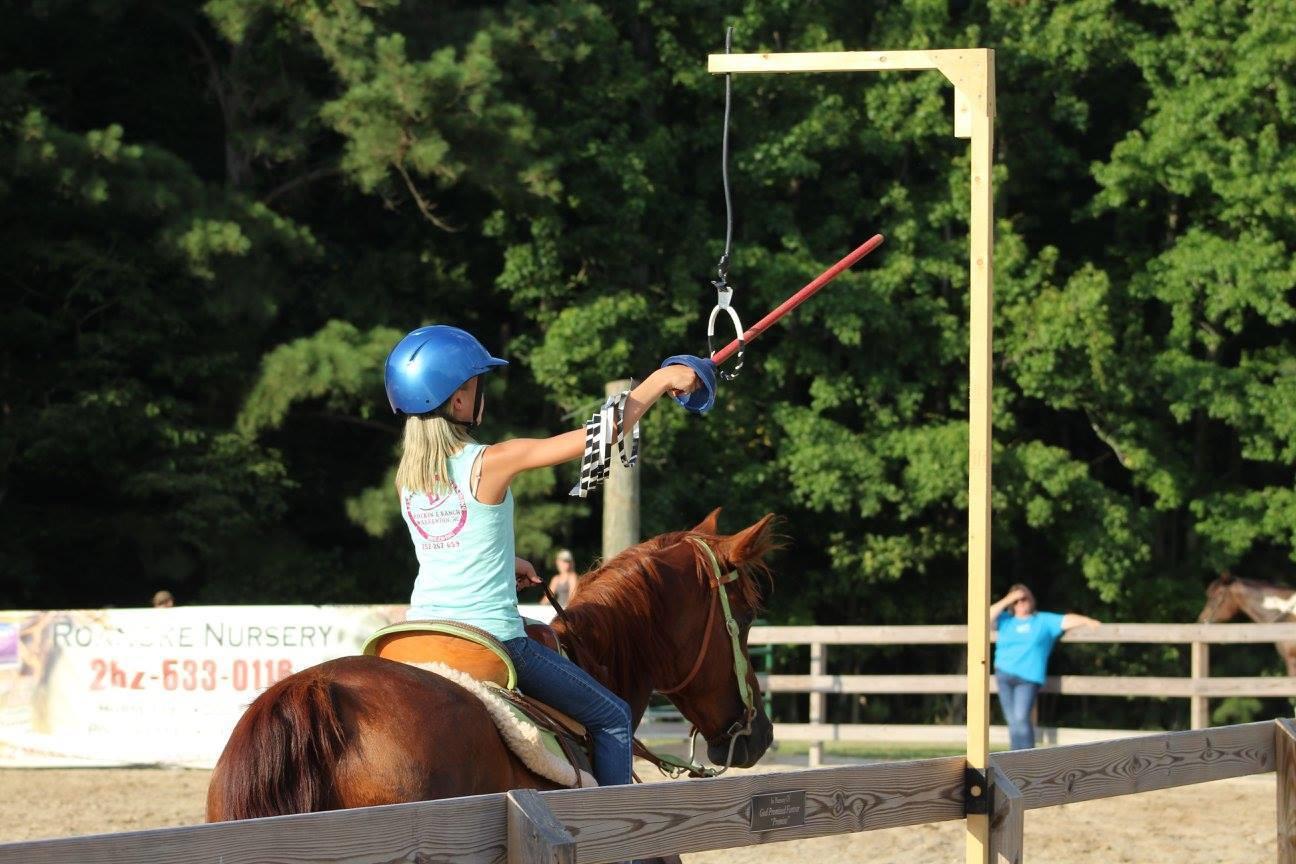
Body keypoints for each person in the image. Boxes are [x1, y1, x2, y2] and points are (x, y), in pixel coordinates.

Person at [385, 324, 698, 788]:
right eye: (475, 387)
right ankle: (612, 851)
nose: (480, 395)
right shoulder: (490, 461)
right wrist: (660, 380)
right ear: (457, 402)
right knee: (612, 717)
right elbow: (596, 438)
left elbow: (443, 544)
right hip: (487, 637)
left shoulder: (407, 479)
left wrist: (505, 562)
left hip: (419, 633)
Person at [990, 583, 1100, 750]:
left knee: (1021, 717)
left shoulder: (1042, 621)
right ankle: (1014, 758)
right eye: (1016, 601)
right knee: (1012, 720)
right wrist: (1008, 599)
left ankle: (1026, 757)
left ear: (1031, 600)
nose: (1020, 603)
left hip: (1028, 677)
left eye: (1023, 599)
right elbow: (984, 617)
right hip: (1003, 674)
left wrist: (1087, 620)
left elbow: (1066, 620)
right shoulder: (1005, 620)